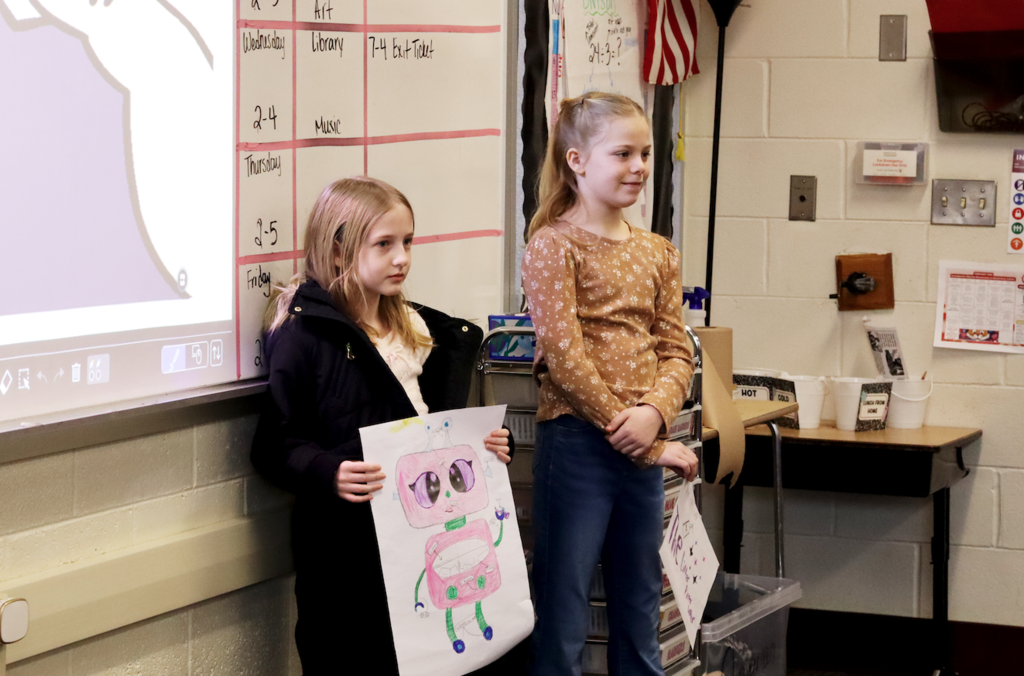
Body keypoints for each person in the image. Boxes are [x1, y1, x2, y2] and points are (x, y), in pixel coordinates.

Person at [250, 176, 513, 676]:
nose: (402, 258)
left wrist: (486, 445)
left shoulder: (414, 326)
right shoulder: (302, 334)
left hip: (417, 535)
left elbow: (433, 426)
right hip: (346, 551)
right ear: (338, 251)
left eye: (407, 242)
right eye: (384, 244)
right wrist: (328, 471)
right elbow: (274, 444)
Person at [521, 91, 699, 676]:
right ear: (576, 161)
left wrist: (654, 415)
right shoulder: (554, 245)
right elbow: (564, 357)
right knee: (564, 607)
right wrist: (639, 437)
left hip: (642, 447)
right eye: (623, 154)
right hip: (577, 444)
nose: (639, 167)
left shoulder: (657, 252)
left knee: (639, 604)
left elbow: (676, 349)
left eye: (645, 153)